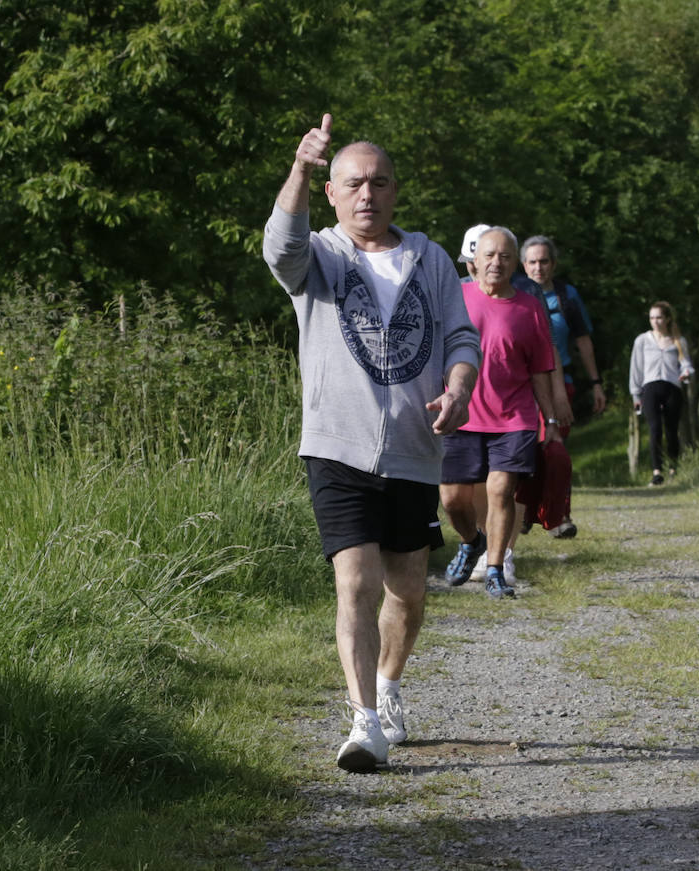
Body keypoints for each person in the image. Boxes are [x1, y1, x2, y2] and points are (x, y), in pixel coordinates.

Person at [262, 114, 480, 774]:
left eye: (379, 182)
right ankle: (362, 724)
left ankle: (387, 685)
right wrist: (299, 169)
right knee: (355, 581)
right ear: (332, 192)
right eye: (353, 183)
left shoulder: (432, 258)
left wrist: (461, 388)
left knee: (408, 588)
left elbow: (460, 338)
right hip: (336, 446)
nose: (367, 194)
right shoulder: (320, 257)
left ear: (395, 191)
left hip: (415, 447)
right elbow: (279, 248)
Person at [440, 227, 560, 601]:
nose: (496, 263)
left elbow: (541, 369)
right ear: (474, 260)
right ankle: (470, 542)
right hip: (461, 413)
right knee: (452, 499)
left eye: (505, 256)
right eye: (489, 255)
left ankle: (495, 568)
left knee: (500, 490)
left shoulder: (529, 307)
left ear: (515, 264)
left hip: (513, 417)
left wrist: (550, 419)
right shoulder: (454, 299)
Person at [514, 235, 607, 538]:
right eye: (532, 262)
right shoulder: (513, 292)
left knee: (554, 447)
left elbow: (583, 342)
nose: (538, 267)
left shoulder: (567, 296)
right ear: (523, 265)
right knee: (528, 448)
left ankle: (558, 516)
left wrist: (596, 384)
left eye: (544, 261)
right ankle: (525, 511)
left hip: (560, 382)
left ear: (553, 264)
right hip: (521, 385)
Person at [629, 301, 694, 486]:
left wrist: (686, 372)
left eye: (659, 317)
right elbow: (636, 368)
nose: (655, 321)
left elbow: (686, 363)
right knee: (655, 428)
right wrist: (635, 394)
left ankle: (674, 467)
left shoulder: (678, 341)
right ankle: (657, 471)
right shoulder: (642, 340)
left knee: (671, 430)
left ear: (667, 319)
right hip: (649, 388)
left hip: (672, 387)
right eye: (652, 318)